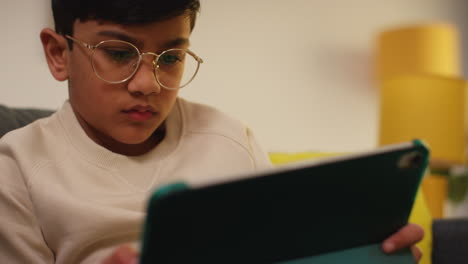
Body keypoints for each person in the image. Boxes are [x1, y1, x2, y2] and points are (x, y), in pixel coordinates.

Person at [0, 0, 423, 263]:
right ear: (59, 53)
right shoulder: (16, 166)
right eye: (117, 53)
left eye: (170, 58)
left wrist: (364, 253)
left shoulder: (230, 139)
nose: (148, 83)